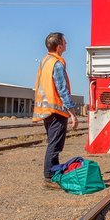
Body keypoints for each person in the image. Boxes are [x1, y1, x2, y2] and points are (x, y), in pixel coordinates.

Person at [33, 32, 78, 189]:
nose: (67, 44)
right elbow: (62, 90)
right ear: (59, 46)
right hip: (56, 111)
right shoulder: (57, 64)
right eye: (65, 42)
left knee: (53, 144)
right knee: (54, 146)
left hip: (47, 110)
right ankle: (49, 178)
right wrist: (73, 113)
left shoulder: (45, 61)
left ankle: (54, 175)